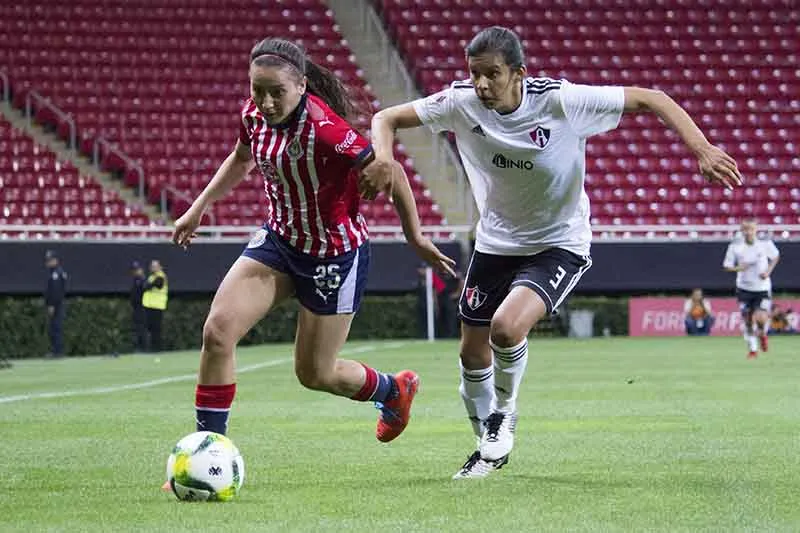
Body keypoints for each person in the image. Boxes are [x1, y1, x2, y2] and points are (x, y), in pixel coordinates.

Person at [363, 26, 742, 478]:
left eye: (493, 75)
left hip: (559, 241)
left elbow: (652, 97)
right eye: (475, 74)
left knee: (506, 328)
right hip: (497, 242)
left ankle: (504, 413)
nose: (482, 85)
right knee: (470, 355)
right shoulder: (460, 102)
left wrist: (700, 148)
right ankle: (488, 446)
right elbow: (385, 117)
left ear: (519, 73)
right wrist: (383, 157)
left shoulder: (560, 101)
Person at [166, 37, 454, 489]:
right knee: (217, 332)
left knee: (314, 373)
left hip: (333, 256)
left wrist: (415, 238)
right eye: (257, 90)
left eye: (276, 91)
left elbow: (390, 174)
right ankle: (209, 455)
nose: (265, 101)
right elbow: (241, 159)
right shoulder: (253, 115)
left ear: (301, 85)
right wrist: (200, 205)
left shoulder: (329, 132)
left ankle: (392, 390)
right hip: (279, 242)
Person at [723, 219, 780, 358]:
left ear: (756, 229)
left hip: (762, 287)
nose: (748, 232)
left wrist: (767, 272)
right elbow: (726, 265)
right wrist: (739, 268)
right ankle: (753, 349)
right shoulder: (735, 246)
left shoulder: (764, 243)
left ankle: (762, 333)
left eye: (751, 229)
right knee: (748, 320)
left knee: (760, 317)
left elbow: (775, 256)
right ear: (742, 230)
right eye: (745, 229)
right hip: (744, 288)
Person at [44, 250, 68, 358]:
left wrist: (52, 305)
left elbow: (56, 291)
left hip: (57, 305)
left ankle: (57, 352)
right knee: (54, 328)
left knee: (56, 328)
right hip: (57, 304)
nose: (48, 263)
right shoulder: (56, 272)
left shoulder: (56, 273)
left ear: (55, 260)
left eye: (50, 260)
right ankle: (55, 351)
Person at [142, 259, 168, 353]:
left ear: (159, 267)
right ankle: (151, 348)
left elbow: (150, 286)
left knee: (156, 329)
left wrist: (148, 285)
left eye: (155, 266)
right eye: (152, 266)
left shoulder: (160, 276)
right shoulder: (152, 277)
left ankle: (157, 348)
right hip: (149, 306)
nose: (153, 268)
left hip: (157, 306)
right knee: (150, 328)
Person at [130, 261, 147, 352]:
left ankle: (143, 347)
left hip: (142, 307)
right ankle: (138, 347)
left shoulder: (143, 280)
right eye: (134, 270)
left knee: (141, 327)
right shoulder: (135, 279)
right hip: (136, 307)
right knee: (136, 327)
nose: (135, 271)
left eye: (136, 269)